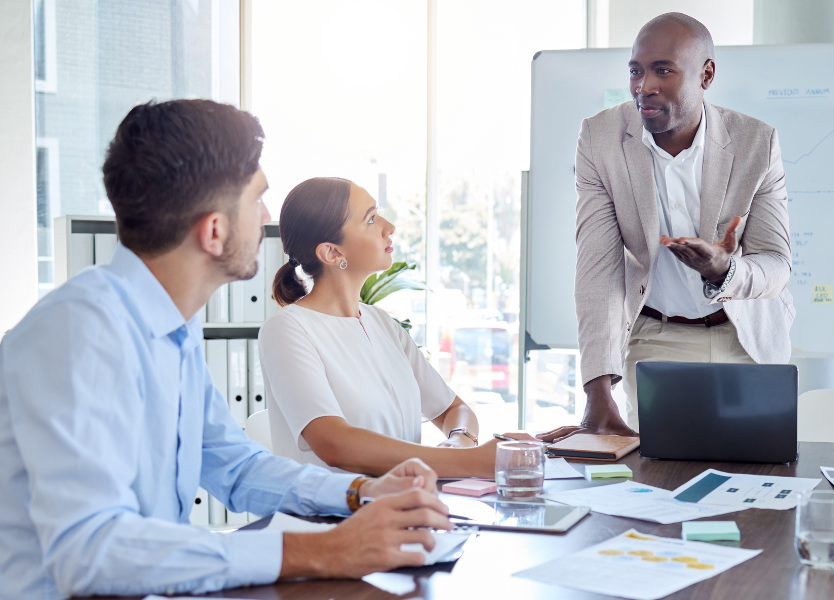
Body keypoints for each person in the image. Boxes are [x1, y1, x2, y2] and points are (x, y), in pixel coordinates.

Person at [0, 99, 454, 600]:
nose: (265, 216)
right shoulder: (79, 333)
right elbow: (91, 552)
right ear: (214, 230)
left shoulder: (173, 329)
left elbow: (235, 467)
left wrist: (360, 492)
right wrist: (324, 551)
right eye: (257, 198)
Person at [540, 13, 793, 442]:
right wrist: (597, 387)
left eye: (663, 70)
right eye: (636, 71)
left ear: (706, 75)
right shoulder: (600, 139)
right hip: (659, 338)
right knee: (660, 483)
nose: (645, 86)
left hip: (747, 339)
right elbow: (598, 268)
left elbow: (776, 264)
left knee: (755, 477)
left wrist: (723, 271)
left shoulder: (756, 142)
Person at [258, 177, 533, 479]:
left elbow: (453, 409)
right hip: (333, 519)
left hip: (403, 511)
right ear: (333, 253)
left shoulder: (382, 324)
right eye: (371, 219)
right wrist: (473, 461)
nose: (389, 227)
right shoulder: (287, 330)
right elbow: (334, 444)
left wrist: (458, 442)